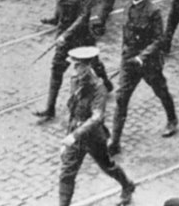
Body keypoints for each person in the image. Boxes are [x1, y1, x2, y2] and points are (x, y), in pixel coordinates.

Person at [35, 0, 112, 120]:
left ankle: (106, 83)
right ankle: (50, 108)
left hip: (81, 36)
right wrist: (55, 20)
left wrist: (67, 34)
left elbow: (83, 17)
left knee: (94, 64)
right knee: (57, 68)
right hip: (64, 35)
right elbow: (60, 7)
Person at [108, 0, 177, 155]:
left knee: (160, 90)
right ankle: (114, 142)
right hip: (130, 62)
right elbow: (126, 35)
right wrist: (125, 55)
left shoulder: (153, 11)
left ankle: (172, 119)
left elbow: (159, 39)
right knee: (121, 98)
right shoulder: (128, 7)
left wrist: (143, 56)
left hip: (148, 63)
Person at [58, 46, 136, 206]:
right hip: (76, 137)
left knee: (107, 166)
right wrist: (68, 138)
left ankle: (127, 185)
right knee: (66, 173)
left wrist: (74, 135)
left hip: (93, 137)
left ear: (87, 66)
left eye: (78, 65)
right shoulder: (76, 80)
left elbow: (97, 117)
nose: (75, 69)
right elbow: (73, 112)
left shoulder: (98, 88)